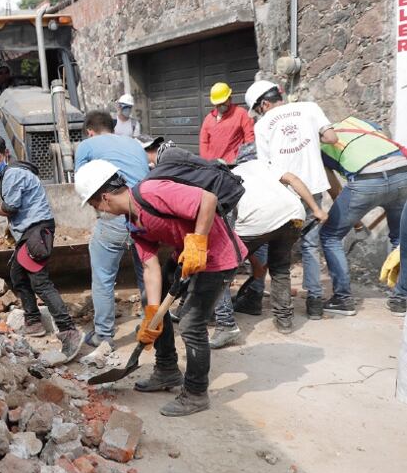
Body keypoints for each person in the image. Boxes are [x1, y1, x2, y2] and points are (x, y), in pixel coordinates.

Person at [75, 158, 247, 416]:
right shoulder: (133, 224)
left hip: (218, 257)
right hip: (186, 258)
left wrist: (198, 241)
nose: (97, 210)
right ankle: (167, 369)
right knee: (151, 303)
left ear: (105, 197)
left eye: (93, 204)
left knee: (191, 324)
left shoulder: (152, 192)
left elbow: (208, 200)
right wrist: (153, 313)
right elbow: (150, 268)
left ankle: (197, 393)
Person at [209, 143, 328, 347]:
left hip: (256, 222)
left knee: (220, 270)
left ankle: (225, 324)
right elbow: (293, 179)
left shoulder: (232, 173)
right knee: (280, 268)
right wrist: (316, 209)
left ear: (238, 161)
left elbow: (230, 226)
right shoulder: (266, 166)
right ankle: (284, 321)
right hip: (293, 216)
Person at [0, 135, 85, 361]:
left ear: (6, 154)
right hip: (29, 231)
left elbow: (11, 208)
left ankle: (69, 331)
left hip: (36, 231)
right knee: (17, 274)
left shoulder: (14, 174)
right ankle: (34, 321)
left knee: (40, 282)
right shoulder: (11, 173)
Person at [247, 80, 337, 320]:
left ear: (264, 104)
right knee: (309, 246)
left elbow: (266, 167)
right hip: (313, 188)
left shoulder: (263, 125)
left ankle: (257, 296)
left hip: (284, 193)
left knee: (270, 243)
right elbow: (330, 137)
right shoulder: (310, 108)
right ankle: (315, 302)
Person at [74, 111, 150, 350]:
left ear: (90, 131)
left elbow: (84, 184)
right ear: (113, 126)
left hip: (115, 214)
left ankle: (104, 335)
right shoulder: (134, 143)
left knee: (104, 277)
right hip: (143, 213)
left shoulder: (86, 146)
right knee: (147, 271)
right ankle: (151, 323)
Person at [316, 116, 407, 316]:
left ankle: (343, 299)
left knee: (330, 235)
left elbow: (334, 187)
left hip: (367, 180)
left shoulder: (317, 143)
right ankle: (401, 299)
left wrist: (352, 218)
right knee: (400, 237)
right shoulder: (358, 123)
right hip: (402, 173)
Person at [199, 82, 254, 163]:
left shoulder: (241, 114)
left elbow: (250, 139)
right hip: (214, 166)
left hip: (233, 165)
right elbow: (204, 142)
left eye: (223, 102)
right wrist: (206, 162)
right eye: (218, 103)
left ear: (229, 98)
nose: (221, 105)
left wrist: (243, 160)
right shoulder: (208, 119)